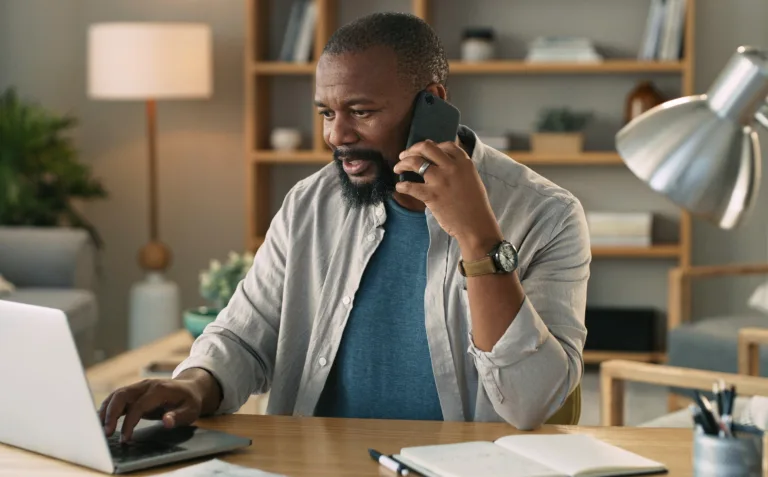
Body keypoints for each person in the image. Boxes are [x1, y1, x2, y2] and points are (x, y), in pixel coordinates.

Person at [100, 12, 591, 442]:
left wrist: (479, 239)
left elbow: (532, 404)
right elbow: (244, 338)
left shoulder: (546, 215)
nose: (337, 135)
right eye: (327, 113)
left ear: (432, 104)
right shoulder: (310, 204)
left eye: (362, 111)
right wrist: (194, 383)